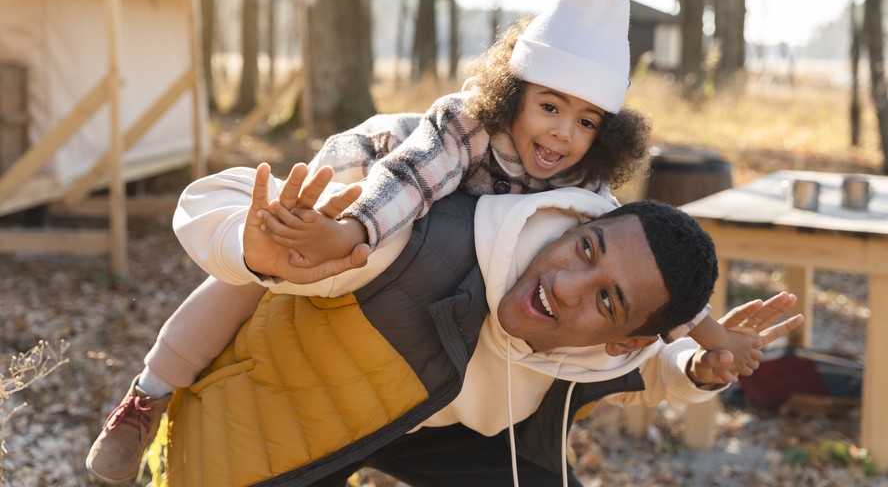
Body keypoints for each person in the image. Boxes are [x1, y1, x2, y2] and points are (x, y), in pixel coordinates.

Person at [86, 0, 760, 484]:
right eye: (549, 107)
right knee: (257, 279)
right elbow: (406, 186)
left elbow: (635, 267)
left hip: (441, 328)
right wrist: (344, 233)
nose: (561, 134)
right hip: (378, 182)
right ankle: (149, 392)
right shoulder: (465, 126)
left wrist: (702, 327)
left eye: (586, 121)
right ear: (514, 93)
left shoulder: (577, 179)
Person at [157, 164, 802, 486]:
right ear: (578, 224)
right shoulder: (427, 238)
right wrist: (254, 246)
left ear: (622, 339)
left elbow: (646, 373)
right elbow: (225, 194)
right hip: (290, 411)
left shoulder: (596, 357)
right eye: (585, 250)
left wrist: (696, 366)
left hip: (429, 430)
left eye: (607, 301)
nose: (565, 285)